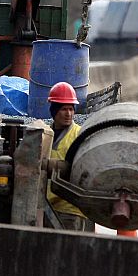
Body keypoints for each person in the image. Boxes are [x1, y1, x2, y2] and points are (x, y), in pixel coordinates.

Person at [44, 82, 93, 232]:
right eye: (64, 109)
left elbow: (85, 170)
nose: (69, 114)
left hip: (70, 209)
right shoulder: (45, 133)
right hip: (47, 206)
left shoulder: (80, 135)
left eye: (71, 109)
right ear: (54, 111)